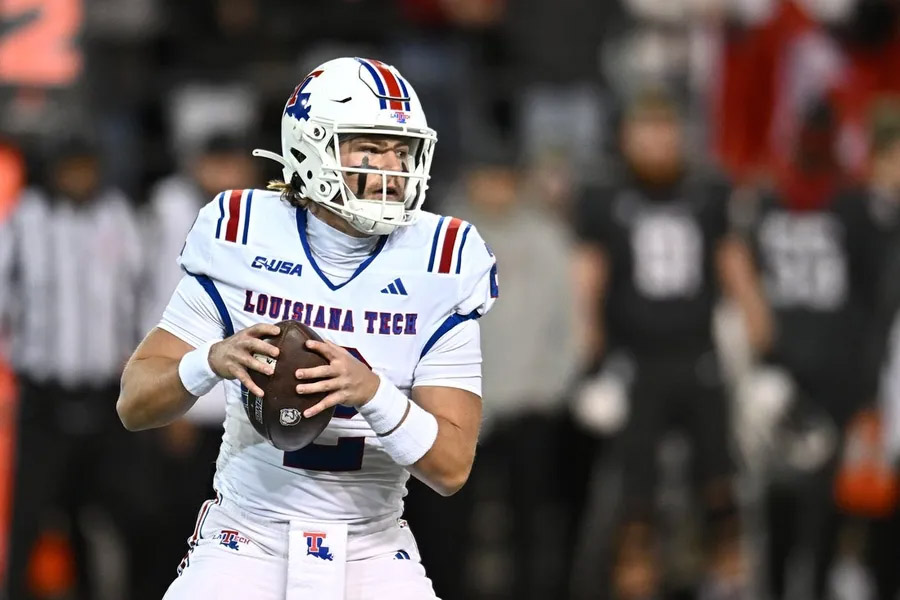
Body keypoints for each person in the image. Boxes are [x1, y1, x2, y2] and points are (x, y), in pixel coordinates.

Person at [116, 57, 499, 600]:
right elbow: (133, 403)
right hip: (246, 539)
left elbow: (452, 467)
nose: (393, 168)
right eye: (369, 148)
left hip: (372, 547)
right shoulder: (244, 233)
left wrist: (372, 393)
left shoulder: (443, 260)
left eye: (402, 150)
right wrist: (212, 361)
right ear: (311, 148)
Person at [572, 89, 771, 600]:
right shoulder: (605, 197)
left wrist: (768, 355)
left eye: (666, 129)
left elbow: (736, 272)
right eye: (647, 129)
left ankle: (728, 584)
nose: (658, 141)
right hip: (636, 363)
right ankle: (636, 586)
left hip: (699, 357)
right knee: (634, 495)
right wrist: (591, 364)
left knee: (720, 482)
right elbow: (588, 284)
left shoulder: (707, 193)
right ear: (626, 137)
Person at [0, 137, 146, 600]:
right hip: (45, 392)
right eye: (70, 169)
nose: (79, 179)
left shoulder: (117, 216)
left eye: (87, 168)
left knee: (98, 511)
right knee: (30, 511)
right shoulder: (26, 219)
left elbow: (138, 295)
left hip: (104, 393)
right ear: (54, 170)